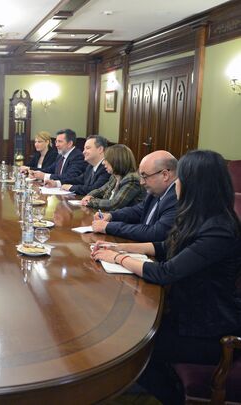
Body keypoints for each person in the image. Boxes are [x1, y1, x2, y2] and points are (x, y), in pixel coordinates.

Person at [91, 150, 241, 405]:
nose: (177, 184)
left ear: (197, 185)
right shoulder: (199, 217)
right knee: (131, 329)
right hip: (187, 312)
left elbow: (166, 271)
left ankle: (173, 398)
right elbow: (165, 246)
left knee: (135, 350)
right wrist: (121, 248)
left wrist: (117, 259)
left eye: (181, 178)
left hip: (209, 329)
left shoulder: (219, 229)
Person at [91, 150, 178, 242]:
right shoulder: (156, 191)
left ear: (165, 175)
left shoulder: (176, 197)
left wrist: (109, 227)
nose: (141, 182)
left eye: (145, 176)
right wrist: (111, 216)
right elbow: (137, 211)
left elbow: (155, 233)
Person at [81, 144, 144, 210]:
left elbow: (114, 204)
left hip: (123, 219)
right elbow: (100, 191)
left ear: (116, 161)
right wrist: (89, 196)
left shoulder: (132, 179)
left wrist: (90, 202)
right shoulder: (115, 177)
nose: (103, 163)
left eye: (106, 159)